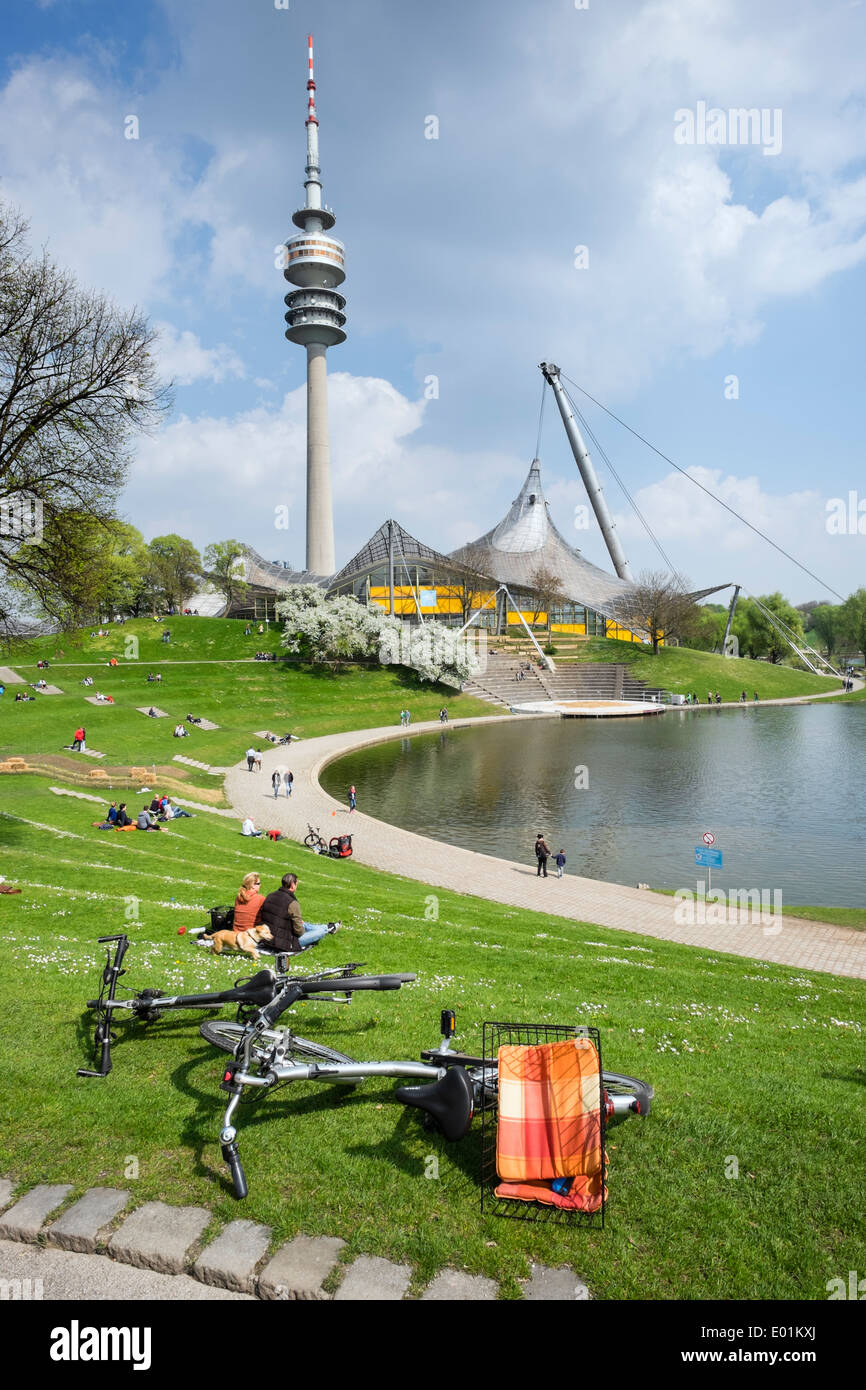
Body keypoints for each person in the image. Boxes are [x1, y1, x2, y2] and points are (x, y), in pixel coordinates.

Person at [259, 872, 339, 954]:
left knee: (302, 923)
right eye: (296, 884)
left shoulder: (270, 896)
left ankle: (327, 927)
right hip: (284, 943)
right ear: (293, 884)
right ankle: (327, 929)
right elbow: (299, 931)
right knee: (320, 932)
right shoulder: (292, 903)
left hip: (266, 939)